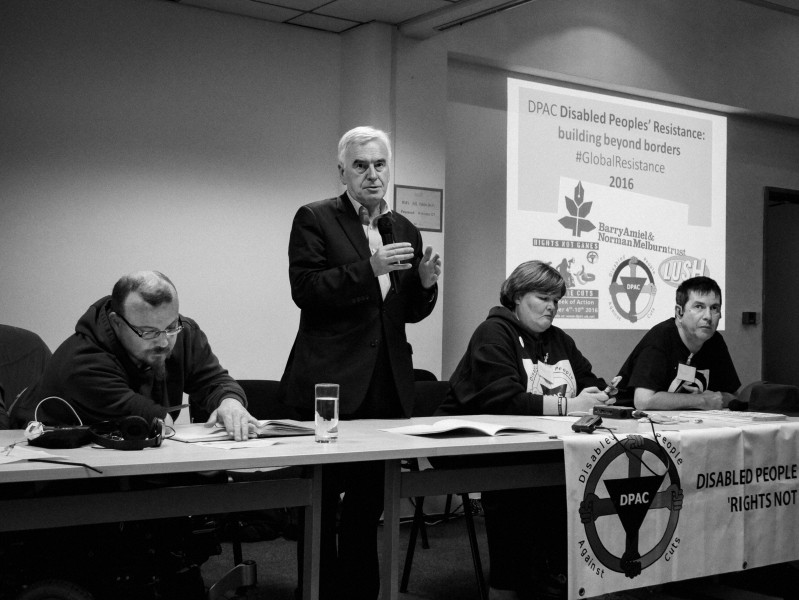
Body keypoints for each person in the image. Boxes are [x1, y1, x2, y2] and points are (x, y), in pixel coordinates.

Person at [279, 126, 441, 599]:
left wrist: (426, 285)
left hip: (385, 385)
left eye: (380, 165)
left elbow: (404, 312)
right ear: (343, 171)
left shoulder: (404, 228)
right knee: (321, 504)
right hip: (329, 384)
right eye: (361, 166)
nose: (372, 175)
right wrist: (367, 270)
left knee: (368, 505)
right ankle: (319, 591)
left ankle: (361, 592)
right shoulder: (315, 218)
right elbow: (305, 290)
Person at [436, 260, 610, 600]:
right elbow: (505, 402)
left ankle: (554, 576)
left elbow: (589, 381)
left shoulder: (558, 339)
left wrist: (603, 394)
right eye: (542, 297)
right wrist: (572, 405)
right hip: (473, 446)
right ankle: (511, 585)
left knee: (569, 476)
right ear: (516, 297)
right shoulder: (493, 333)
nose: (551, 307)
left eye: (556, 300)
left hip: (531, 443)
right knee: (524, 487)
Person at [11, 270, 258, 440]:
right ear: (117, 323)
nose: (164, 341)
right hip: (51, 467)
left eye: (171, 326)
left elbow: (214, 381)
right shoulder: (83, 362)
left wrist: (230, 403)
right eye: (148, 332)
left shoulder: (183, 333)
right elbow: (152, 419)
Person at [616, 276, 741, 411]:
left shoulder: (715, 341)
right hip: (631, 424)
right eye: (699, 307)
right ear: (679, 312)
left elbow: (734, 396)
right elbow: (643, 401)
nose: (708, 316)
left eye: (714, 308)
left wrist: (715, 397)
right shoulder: (660, 338)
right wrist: (700, 400)